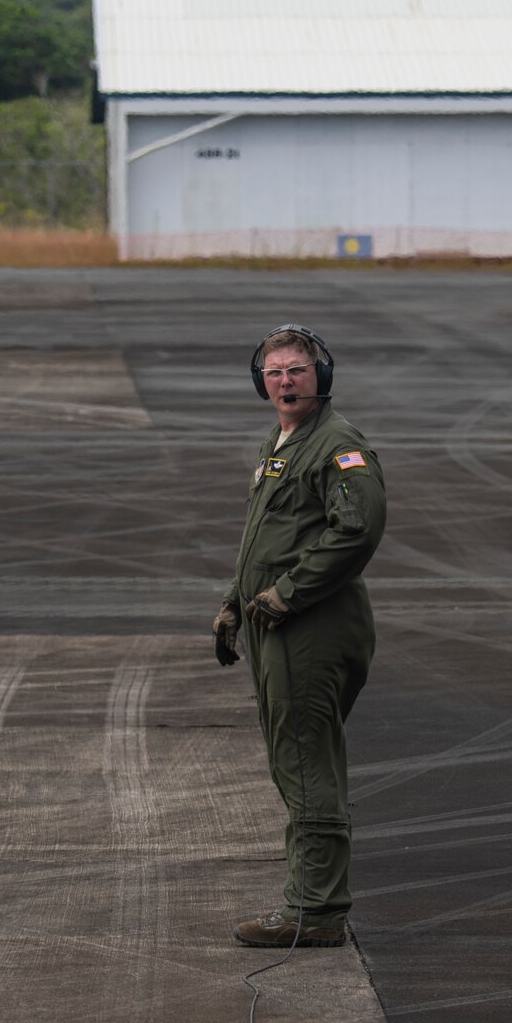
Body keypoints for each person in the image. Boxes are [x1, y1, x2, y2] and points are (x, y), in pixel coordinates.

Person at [212, 324, 386, 949]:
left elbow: (357, 530)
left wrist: (288, 593)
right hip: (273, 622)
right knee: (296, 760)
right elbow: (266, 534)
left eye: (298, 370)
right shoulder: (283, 442)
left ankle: (316, 911)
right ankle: (312, 900)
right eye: (275, 371)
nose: (286, 381)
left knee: (307, 764)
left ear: (323, 377)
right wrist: (236, 602)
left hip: (310, 625)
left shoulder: (338, 446)